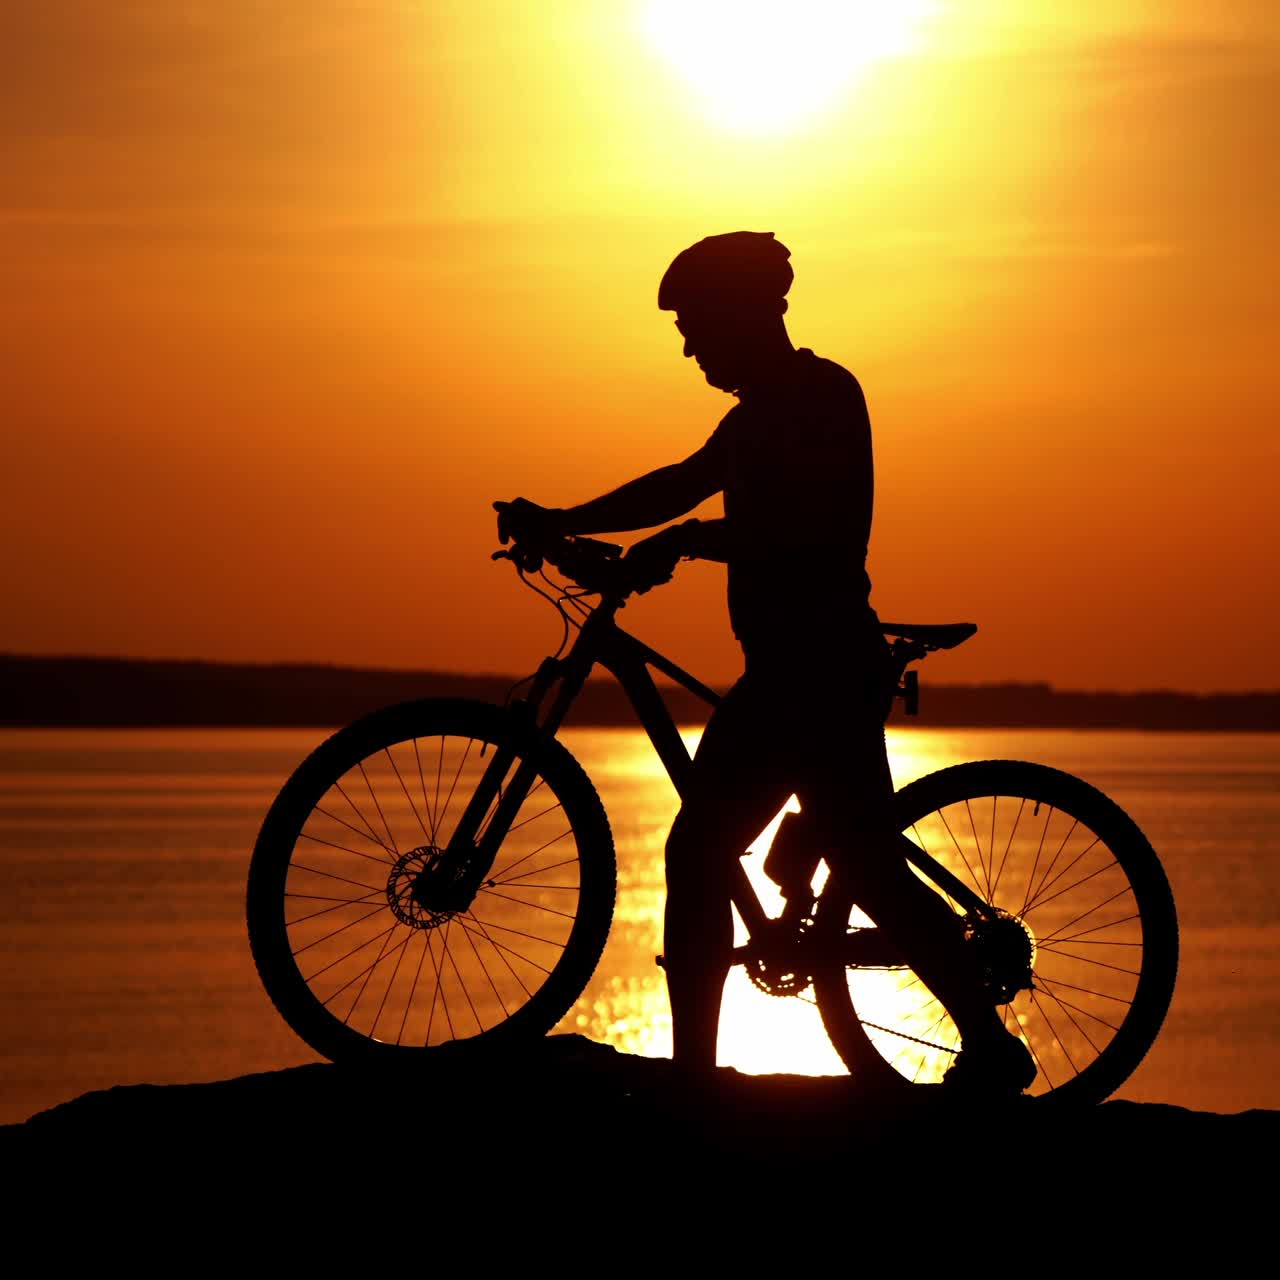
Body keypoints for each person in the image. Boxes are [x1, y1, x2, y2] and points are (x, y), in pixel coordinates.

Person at [496, 232, 1035, 1093]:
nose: (688, 346)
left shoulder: (821, 395)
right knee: (860, 863)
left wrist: (693, 540)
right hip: (796, 670)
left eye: (696, 324)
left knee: (707, 850)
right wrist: (565, 520)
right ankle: (987, 1047)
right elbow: (677, 482)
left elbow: (812, 532)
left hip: (813, 669)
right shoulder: (752, 418)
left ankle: (696, 1082)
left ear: (744, 312)